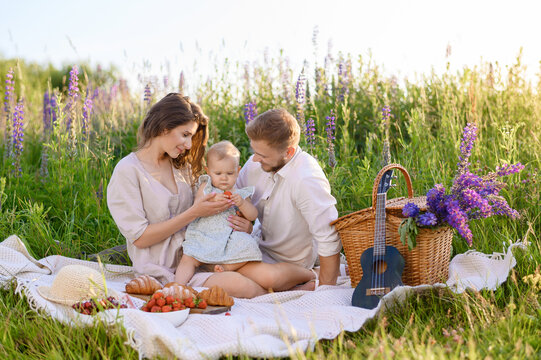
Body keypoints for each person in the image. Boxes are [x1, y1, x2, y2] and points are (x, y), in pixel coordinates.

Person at [107, 93, 265, 298]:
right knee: (244, 287)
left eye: (191, 137)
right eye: (185, 134)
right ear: (164, 127)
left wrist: (246, 225)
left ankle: (300, 287)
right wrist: (192, 213)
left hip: (203, 258)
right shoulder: (127, 171)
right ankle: (286, 299)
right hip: (162, 271)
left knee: (263, 274)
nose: (189, 145)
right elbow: (140, 238)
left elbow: (209, 212)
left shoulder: (182, 167)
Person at [175, 140, 314, 290]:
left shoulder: (239, 193)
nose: (224, 178)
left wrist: (241, 203)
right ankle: (177, 286)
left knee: (245, 248)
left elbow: (253, 216)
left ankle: (308, 276)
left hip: (229, 241)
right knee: (188, 257)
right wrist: (213, 199)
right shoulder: (206, 185)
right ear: (208, 172)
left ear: (238, 171)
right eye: (218, 173)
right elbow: (198, 203)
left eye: (230, 173)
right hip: (205, 237)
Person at [232, 108, 342, 287]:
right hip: (256, 250)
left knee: (269, 280)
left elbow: (328, 238)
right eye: (255, 151)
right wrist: (245, 223)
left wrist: (325, 290)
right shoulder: (255, 163)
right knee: (216, 267)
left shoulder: (307, 179)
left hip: (291, 263)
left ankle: (309, 277)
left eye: (263, 155)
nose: (254, 160)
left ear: (288, 152)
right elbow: (234, 198)